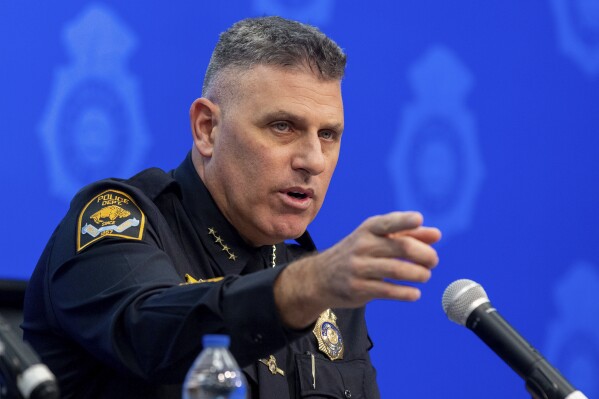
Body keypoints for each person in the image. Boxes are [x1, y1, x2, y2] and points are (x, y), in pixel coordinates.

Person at [22, 16, 441, 399]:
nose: (313, 159)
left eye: (328, 134)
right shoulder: (118, 220)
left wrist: (314, 284)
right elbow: (149, 333)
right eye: (283, 126)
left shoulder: (325, 285)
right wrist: (305, 288)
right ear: (207, 128)